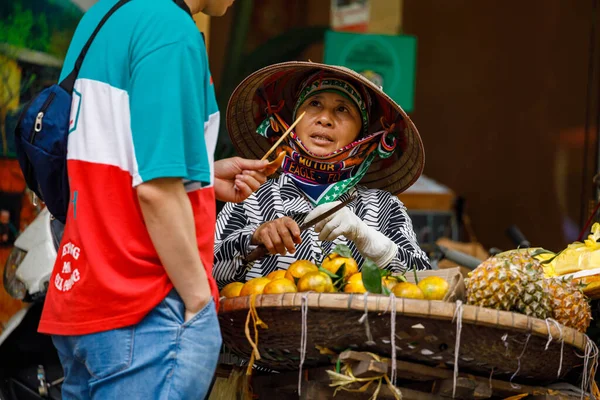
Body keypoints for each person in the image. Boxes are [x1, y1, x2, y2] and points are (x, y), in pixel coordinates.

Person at [37, 0, 267, 399]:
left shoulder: (105, 15)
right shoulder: (170, 29)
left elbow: (110, 156)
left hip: (83, 296)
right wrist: (197, 300)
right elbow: (155, 190)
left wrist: (203, 178)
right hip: (144, 305)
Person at [214, 62, 431, 286]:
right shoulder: (251, 196)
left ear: (361, 133)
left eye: (342, 109)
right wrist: (254, 238)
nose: (325, 119)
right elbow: (205, 273)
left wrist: (369, 239)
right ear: (292, 122)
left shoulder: (384, 207)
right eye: (314, 103)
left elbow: (422, 282)